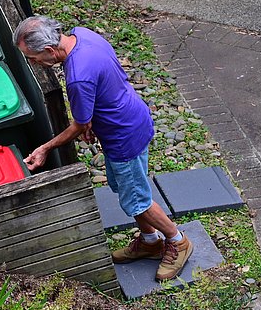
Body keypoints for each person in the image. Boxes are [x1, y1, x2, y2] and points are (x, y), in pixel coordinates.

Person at [13, 15, 193, 281]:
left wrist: (45, 148)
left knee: (137, 200)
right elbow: (102, 85)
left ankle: (177, 241)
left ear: (50, 50)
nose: (33, 63)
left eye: (33, 58)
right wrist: (93, 121)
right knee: (125, 189)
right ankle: (149, 241)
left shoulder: (77, 78)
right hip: (131, 116)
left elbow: (79, 125)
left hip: (123, 135)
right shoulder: (83, 35)